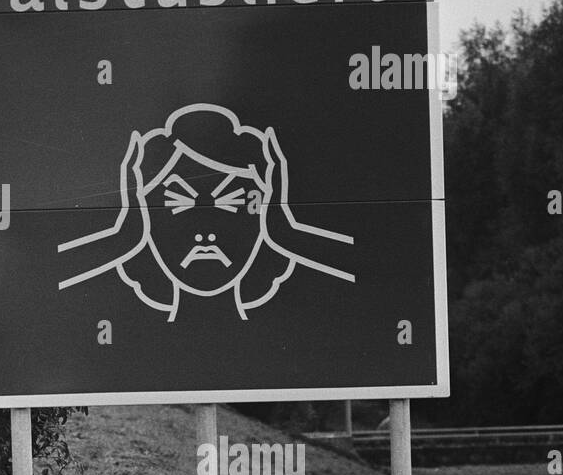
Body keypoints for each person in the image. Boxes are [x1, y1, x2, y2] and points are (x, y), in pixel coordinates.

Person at [58, 103, 355, 321]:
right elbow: (23, 280)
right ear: (146, 216)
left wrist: (286, 233)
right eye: (178, 203)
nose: (205, 232)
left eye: (230, 203)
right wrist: (124, 238)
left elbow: (389, 271)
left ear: (262, 212)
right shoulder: (133, 350)